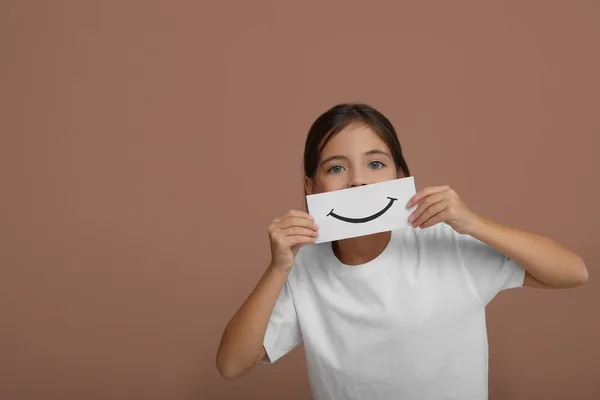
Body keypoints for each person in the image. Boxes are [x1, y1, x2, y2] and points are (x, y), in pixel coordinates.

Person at [216, 103, 588, 399]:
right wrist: (277, 268)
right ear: (311, 187)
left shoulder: (444, 243)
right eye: (336, 168)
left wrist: (474, 223)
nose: (358, 180)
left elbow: (572, 272)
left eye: (375, 164)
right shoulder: (304, 268)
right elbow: (231, 364)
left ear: (400, 176)